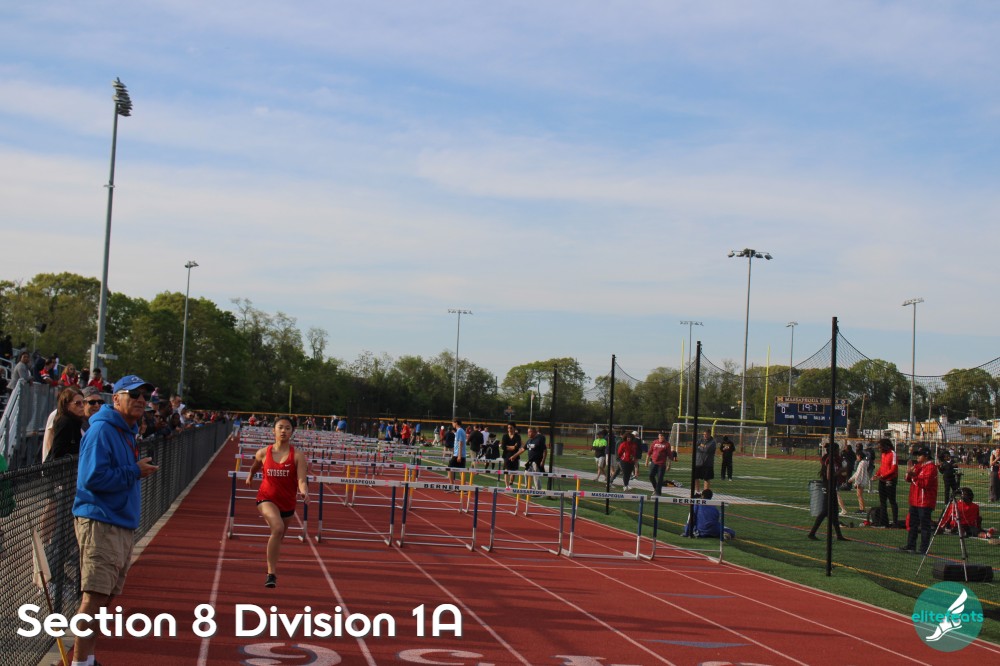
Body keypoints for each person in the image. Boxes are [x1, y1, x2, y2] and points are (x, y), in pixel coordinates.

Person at [70, 374, 159, 665]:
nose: (141, 400)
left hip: (119, 522)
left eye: (145, 396)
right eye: (134, 395)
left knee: (105, 599)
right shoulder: (102, 431)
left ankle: (88, 658)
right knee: (94, 598)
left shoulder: (126, 431)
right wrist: (134, 471)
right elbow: (91, 478)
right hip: (101, 521)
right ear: (117, 398)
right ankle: (80, 661)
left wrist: (134, 471)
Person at [245, 415, 309, 588]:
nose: (283, 431)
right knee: (278, 528)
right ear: (273, 430)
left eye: (287, 428)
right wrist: (250, 475)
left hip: (287, 502)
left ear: (292, 432)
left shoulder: (298, 456)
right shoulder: (263, 453)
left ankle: (271, 560)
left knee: (279, 535)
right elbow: (255, 465)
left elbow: (301, 480)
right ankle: (271, 574)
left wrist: (304, 492)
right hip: (266, 497)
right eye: (280, 427)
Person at [900, 444, 938, 554]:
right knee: (912, 524)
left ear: (926, 456)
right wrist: (909, 472)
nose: (917, 457)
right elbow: (908, 479)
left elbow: (924, 484)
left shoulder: (931, 468)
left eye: (919, 455)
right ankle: (911, 545)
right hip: (915, 501)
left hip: (925, 502)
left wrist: (913, 475)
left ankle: (923, 548)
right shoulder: (918, 466)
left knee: (925, 526)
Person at [807, 444, 848, 541]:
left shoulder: (832, 459)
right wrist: (841, 471)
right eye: (837, 449)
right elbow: (829, 476)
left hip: (831, 487)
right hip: (829, 487)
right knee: (825, 512)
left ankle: (839, 535)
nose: (838, 451)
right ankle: (812, 533)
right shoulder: (830, 460)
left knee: (834, 513)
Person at [873, 438, 899, 528]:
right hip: (882, 480)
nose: (879, 449)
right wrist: (877, 474)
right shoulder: (883, 454)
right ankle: (884, 522)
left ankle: (895, 522)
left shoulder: (893, 454)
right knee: (882, 502)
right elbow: (882, 466)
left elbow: (893, 469)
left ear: (886, 446)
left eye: (880, 447)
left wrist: (882, 476)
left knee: (892, 501)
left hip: (890, 480)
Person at [848, 444, 873, 513]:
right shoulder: (863, 462)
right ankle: (861, 508)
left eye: (857, 456)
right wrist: (851, 479)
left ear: (859, 456)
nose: (856, 457)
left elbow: (859, 474)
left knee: (859, 495)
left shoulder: (862, 463)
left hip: (861, 482)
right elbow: (857, 473)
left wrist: (857, 482)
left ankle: (862, 509)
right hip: (862, 481)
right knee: (859, 495)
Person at [501, 423, 523, 490]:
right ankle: (507, 486)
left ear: (514, 428)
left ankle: (511, 483)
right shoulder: (505, 436)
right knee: (506, 470)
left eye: (511, 428)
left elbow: (517, 446)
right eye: (508, 428)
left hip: (515, 455)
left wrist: (510, 447)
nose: (509, 429)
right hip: (506, 455)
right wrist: (513, 447)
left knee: (513, 471)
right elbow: (503, 447)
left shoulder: (517, 436)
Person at [449, 419, 467, 484]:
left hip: (458, 454)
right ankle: (463, 486)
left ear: (456, 423)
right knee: (461, 471)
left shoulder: (459, 431)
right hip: (460, 454)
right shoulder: (461, 430)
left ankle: (451, 485)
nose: (452, 425)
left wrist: (459, 455)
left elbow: (460, 443)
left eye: (453, 423)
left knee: (449, 468)